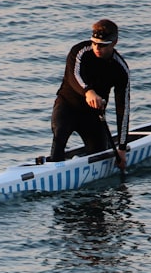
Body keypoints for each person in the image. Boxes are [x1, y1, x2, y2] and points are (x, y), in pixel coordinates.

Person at [49, 19, 130, 168]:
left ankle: (81, 159)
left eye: (103, 45)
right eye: (94, 43)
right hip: (67, 106)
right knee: (60, 134)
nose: (97, 48)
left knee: (98, 154)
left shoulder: (120, 69)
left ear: (114, 43)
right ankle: (54, 165)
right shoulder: (79, 52)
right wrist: (88, 92)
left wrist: (122, 149)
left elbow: (122, 110)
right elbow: (75, 76)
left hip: (92, 115)